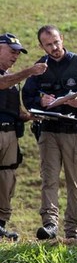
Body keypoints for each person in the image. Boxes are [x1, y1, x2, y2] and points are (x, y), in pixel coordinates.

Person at [22, 25, 77, 240]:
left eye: (56, 42)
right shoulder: (39, 68)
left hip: (75, 131)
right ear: (41, 46)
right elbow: (27, 97)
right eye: (48, 45)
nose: (54, 47)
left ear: (62, 39)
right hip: (48, 130)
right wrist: (39, 100)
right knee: (49, 179)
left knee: (75, 182)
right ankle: (50, 224)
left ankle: (72, 231)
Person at [0, 35, 45, 241]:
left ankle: (1, 225)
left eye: (18, 53)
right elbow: (2, 83)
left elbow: (16, 111)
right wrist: (30, 71)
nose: (15, 56)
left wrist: (32, 116)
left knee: (7, 178)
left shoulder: (12, 79)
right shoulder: (10, 79)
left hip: (10, 134)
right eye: (12, 51)